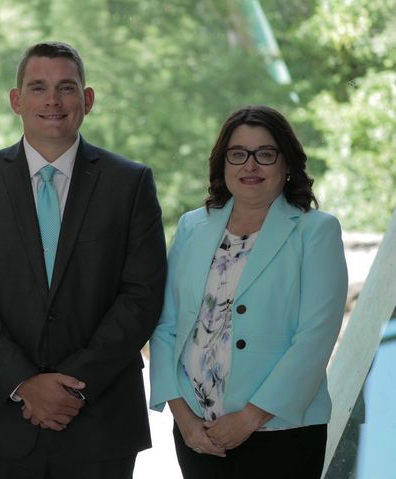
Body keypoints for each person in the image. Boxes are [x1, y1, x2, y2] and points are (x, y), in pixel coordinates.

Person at [0, 41, 167, 479]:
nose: (52, 100)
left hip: (100, 417)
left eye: (66, 87)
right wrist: (24, 384)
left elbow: (142, 294)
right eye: (38, 87)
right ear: (16, 100)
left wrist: (73, 387)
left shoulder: (130, 183)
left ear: (88, 99)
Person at [149, 105, 349, 478]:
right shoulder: (193, 226)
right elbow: (165, 325)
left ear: (287, 164)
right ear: (222, 163)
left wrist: (250, 418)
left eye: (265, 154)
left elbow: (315, 337)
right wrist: (183, 417)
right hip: (198, 433)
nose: (250, 166)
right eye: (238, 154)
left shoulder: (316, 232)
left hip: (282, 431)